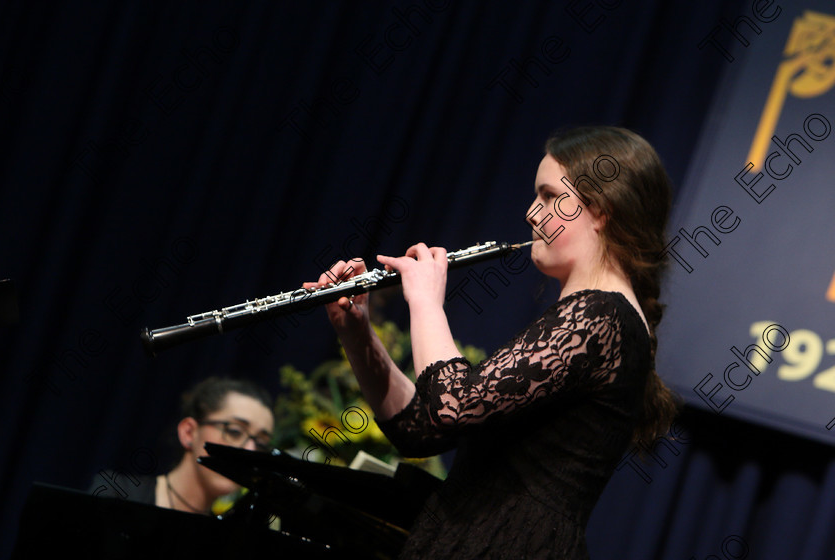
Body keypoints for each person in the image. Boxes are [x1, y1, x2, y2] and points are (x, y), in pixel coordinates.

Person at [304, 126, 679, 558]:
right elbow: (420, 430)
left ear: (600, 210)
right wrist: (356, 333)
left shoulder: (601, 317)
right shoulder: (592, 317)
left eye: (549, 196)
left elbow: (454, 407)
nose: (530, 213)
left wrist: (425, 301)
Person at [90, 377, 275, 515]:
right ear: (189, 432)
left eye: (260, 443)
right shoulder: (118, 495)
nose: (250, 451)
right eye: (235, 432)